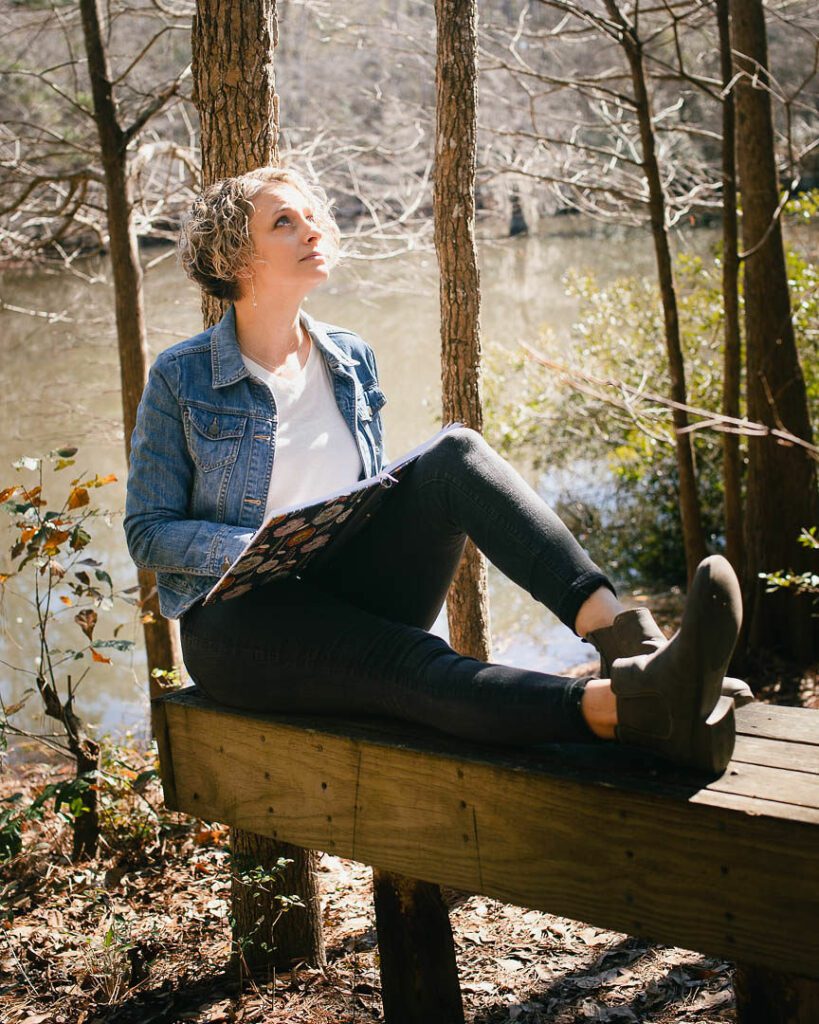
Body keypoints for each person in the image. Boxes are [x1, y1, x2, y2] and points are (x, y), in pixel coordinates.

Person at [124, 165, 750, 777]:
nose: (313, 230)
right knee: (408, 660)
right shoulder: (182, 378)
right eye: (284, 223)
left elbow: (369, 496)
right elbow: (148, 531)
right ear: (235, 259)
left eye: (312, 216)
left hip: (349, 587)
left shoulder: (349, 357)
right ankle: (634, 715)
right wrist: (256, 549)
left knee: (456, 456)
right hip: (242, 626)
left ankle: (637, 655)